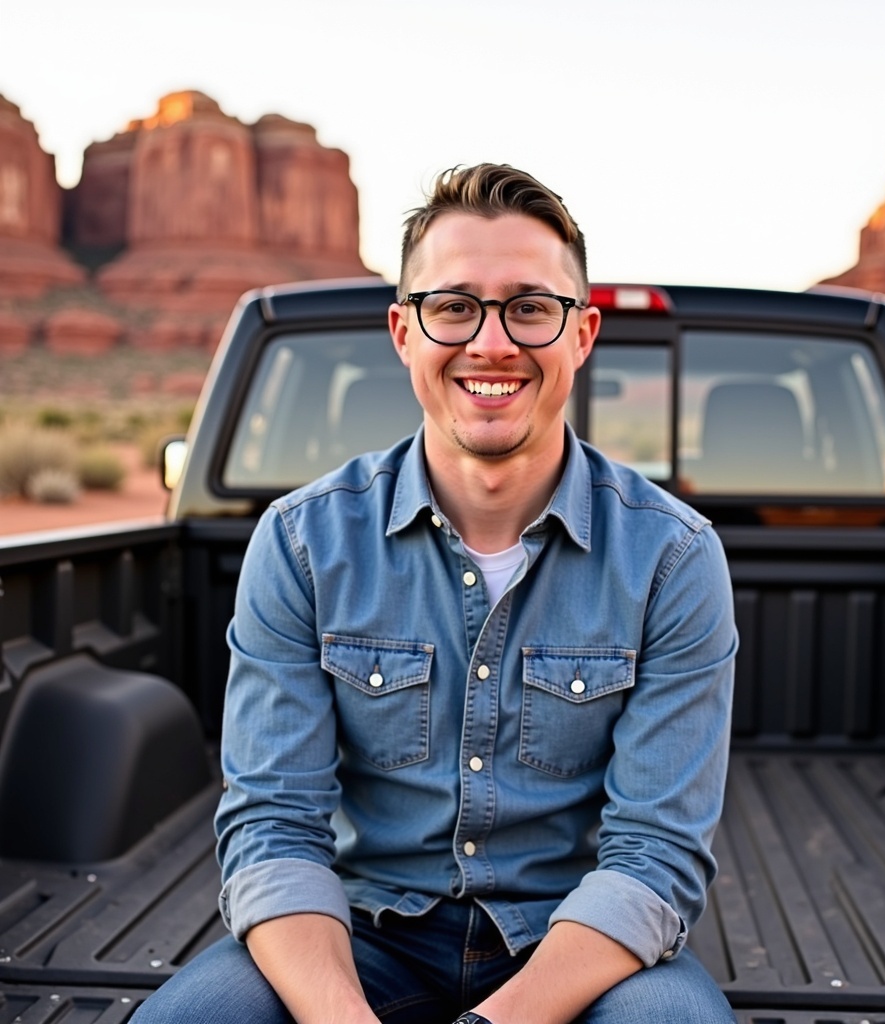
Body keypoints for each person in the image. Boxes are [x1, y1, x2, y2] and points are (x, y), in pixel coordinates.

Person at [133, 164, 738, 1024]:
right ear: (404, 331)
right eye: (453, 305)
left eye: (531, 307)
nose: (491, 343)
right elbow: (275, 826)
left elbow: (655, 855)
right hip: (357, 934)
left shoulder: (673, 557)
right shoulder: (303, 541)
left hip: (573, 943)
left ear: (583, 333)